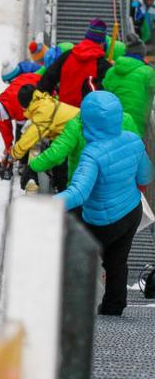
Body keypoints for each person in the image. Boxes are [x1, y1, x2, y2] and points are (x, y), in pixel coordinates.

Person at [55, 91, 152, 316]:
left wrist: (48, 204)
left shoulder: (92, 154)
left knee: (73, 251)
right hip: (131, 213)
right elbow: (145, 176)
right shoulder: (133, 141)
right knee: (117, 261)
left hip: (101, 222)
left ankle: (73, 306)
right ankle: (113, 306)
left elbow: (79, 193)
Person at [11, 84, 80, 191]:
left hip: (81, 132)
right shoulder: (45, 102)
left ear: (24, 106)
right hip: (81, 126)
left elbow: (29, 137)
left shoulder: (43, 113)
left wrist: (14, 154)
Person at [0, 64, 41, 179]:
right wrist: (9, 148)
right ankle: (22, 160)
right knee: (20, 133)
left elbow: (27, 133)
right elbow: (4, 128)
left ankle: (25, 163)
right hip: (25, 85)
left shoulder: (19, 104)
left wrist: (16, 152)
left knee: (26, 134)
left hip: (40, 88)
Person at [37, 18, 112, 108]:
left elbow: (46, 82)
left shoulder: (67, 55)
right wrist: (112, 68)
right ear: (102, 42)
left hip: (64, 111)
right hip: (85, 114)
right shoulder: (103, 65)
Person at [102, 36, 155, 135]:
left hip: (112, 122)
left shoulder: (111, 71)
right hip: (136, 124)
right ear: (142, 55)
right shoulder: (148, 72)